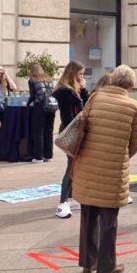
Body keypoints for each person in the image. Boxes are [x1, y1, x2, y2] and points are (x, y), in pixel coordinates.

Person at [72, 65, 137, 273]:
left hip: (88, 165)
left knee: (88, 217)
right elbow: (134, 143)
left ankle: (87, 263)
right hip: (113, 168)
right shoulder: (133, 106)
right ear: (131, 84)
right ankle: (106, 267)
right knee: (108, 221)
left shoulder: (95, 97)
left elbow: (83, 126)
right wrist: (118, 156)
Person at [52, 61, 89, 219]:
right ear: (72, 73)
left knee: (76, 165)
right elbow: (68, 116)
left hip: (76, 130)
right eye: (80, 74)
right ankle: (62, 203)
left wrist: (83, 89)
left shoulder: (75, 90)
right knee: (71, 166)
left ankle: (71, 197)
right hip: (71, 131)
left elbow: (86, 105)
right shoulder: (65, 92)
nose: (82, 77)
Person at [28, 63, 56, 163]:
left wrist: (27, 104)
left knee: (38, 132)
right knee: (49, 131)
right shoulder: (49, 79)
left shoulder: (32, 80)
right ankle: (48, 156)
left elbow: (32, 96)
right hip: (51, 107)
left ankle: (38, 157)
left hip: (40, 107)